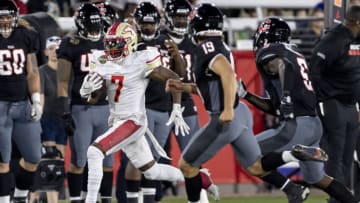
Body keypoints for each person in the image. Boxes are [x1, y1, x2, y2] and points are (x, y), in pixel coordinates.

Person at [165, 4, 328, 203]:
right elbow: (213, 85)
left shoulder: (206, 46)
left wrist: (226, 111)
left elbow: (227, 74)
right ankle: (293, 167)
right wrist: (186, 88)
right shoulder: (220, 44)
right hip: (241, 113)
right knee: (255, 166)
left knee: (187, 165)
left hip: (227, 117)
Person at [238, 16, 358, 203]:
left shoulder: (271, 52)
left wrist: (285, 95)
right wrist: (247, 96)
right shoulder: (295, 52)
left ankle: (292, 170)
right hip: (314, 125)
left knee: (245, 149)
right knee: (318, 179)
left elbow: (281, 64)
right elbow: (276, 108)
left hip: (296, 126)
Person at [81, 22, 191, 203]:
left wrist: (177, 107)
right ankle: (197, 178)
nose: (111, 48)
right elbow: (93, 99)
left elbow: (174, 78)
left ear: (130, 43)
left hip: (133, 121)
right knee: (152, 171)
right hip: (117, 121)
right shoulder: (102, 61)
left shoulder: (141, 59)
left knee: (94, 152)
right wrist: (86, 91)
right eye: (109, 43)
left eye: (116, 44)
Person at [56, 3, 113, 203]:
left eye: (97, 27)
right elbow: (62, 81)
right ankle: (76, 200)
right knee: (79, 160)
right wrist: (65, 110)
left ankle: (105, 198)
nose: (95, 32)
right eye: (91, 27)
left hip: (106, 108)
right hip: (82, 108)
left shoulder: (108, 41)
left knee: (107, 159)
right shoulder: (70, 43)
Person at [309, 5, 360, 203]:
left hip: (351, 105)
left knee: (348, 157)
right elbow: (314, 68)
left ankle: (341, 197)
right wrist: (323, 96)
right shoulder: (334, 40)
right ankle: (336, 200)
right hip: (333, 104)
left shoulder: (354, 39)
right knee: (335, 156)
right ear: (355, 23)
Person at [0, 1, 43, 202]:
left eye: (8, 16)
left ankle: (19, 197)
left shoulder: (27, 35)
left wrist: (36, 99)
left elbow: (32, 71)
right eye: (1, 16)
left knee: (34, 157)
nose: (5, 20)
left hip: (22, 104)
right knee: (2, 161)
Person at [30, 36, 65, 203]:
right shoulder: (42, 71)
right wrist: (38, 124)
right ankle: (32, 198)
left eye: (58, 49)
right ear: (45, 51)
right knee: (48, 165)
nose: (55, 52)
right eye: (51, 49)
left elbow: (67, 98)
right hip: (47, 120)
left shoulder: (66, 71)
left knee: (59, 167)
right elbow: (41, 99)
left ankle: (52, 200)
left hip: (62, 121)